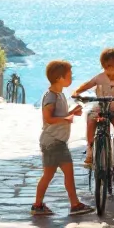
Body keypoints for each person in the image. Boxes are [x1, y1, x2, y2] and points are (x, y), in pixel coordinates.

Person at [32, 60, 94, 217]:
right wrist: (67, 117)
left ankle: (37, 205)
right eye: (69, 75)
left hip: (52, 141)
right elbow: (48, 118)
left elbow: (59, 116)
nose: (72, 77)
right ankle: (75, 204)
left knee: (48, 175)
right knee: (68, 173)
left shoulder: (59, 95)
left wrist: (71, 112)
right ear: (59, 78)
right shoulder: (51, 97)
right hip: (54, 142)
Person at [73, 48, 114, 166]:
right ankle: (90, 148)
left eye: (112, 66)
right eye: (106, 67)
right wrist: (77, 92)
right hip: (101, 108)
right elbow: (87, 84)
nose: (109, 70)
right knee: (91, 119)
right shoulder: (100, 77)